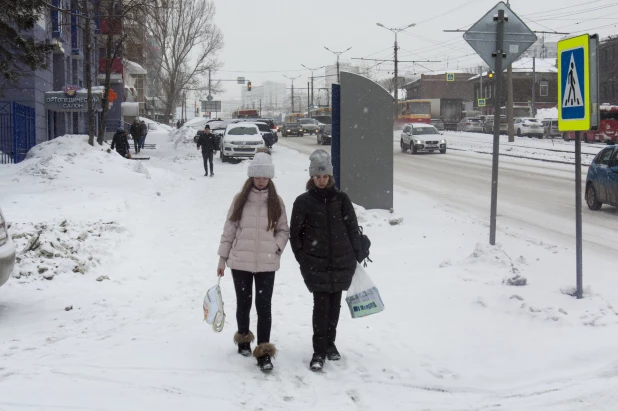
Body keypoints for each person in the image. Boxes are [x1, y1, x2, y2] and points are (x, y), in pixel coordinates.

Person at [290, 149, 362, 371]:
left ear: (330, 177)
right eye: (317, 176)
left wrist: (355, 256)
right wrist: (304, 260)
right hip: (316, 264)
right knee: (320, 307)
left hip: (342, 263)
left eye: (325, 176)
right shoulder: (303, 201)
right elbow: (295, 235)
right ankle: (318, 351)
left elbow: (352, 228)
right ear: (312, 177)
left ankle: (331, 344)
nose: (321, 180)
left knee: (335, 307)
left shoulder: (341, 199)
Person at [217, 153, 290, 372]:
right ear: (251, 177)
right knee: (244, 302)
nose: (260, 180)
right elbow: (229, 229)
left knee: (264, 306)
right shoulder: (240, 199)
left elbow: (284, 230)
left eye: (264, 177)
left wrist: (275, 247)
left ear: (270, 178)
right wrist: (222, 258)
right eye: (257, 176)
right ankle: (243, 339)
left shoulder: (276, 202)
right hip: (240, 261)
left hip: (267, 263)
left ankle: (264, 352)